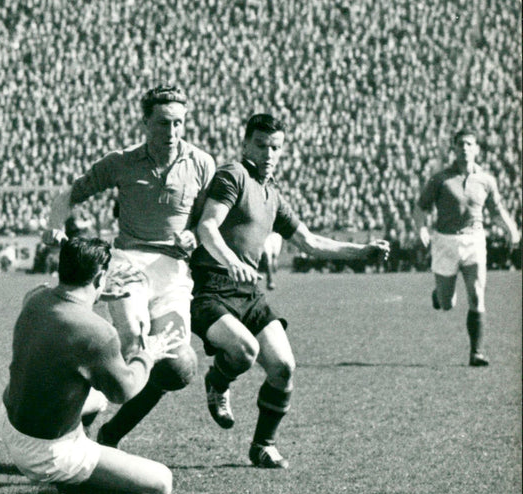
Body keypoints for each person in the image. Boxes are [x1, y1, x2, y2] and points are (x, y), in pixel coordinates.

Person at [190, 114, 390, 469]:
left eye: (276, 147)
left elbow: (309, 242)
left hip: (248, 292)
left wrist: (360, 252)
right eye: (261, 145)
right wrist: (229, 259)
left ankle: (263, 445)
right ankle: (218, 381)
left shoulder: (273, 196)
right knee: (244, 352)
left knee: (283, 366)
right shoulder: (233, 175)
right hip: (212, 288)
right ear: (246, 144)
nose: (268, 153)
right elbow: (207, 226)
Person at [44, 85, 216, 448]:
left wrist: (194, 236)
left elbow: (209, 218)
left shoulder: (201, 163)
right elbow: (68, 195)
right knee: (129, 346)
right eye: (163, 124)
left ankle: (108, 431)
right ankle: (74, 424)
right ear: (145, 123)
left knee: (175, 365)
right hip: (127, 264)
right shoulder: (120, 162)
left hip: (173, 272)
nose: (171, 133)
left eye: (179, 124)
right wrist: (55, 225)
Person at [1, 237, 181, 494]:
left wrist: (94, 296)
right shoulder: (98, 332)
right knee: (162, 482)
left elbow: (64, 303)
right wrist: (148, 355)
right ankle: (73, 480)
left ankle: (78, 449)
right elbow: (124, 391)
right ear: (100, 278)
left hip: (10, 422)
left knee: (97, 399)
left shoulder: (35, 297)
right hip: (45, 454)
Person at [413, 128, 520, 367]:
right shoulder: (439, 179)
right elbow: (421, 208)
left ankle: (477, 353)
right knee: (447, 303)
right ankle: (439, 295)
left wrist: (511, 229)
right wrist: (421, 229)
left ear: (477, 149)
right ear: (453, 148)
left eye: (469, 144)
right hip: (445, 243)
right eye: (460, 144)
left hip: (474, 241)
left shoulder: (486, 180)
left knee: (476, 295)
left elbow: (496, 211)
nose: (465, 148)